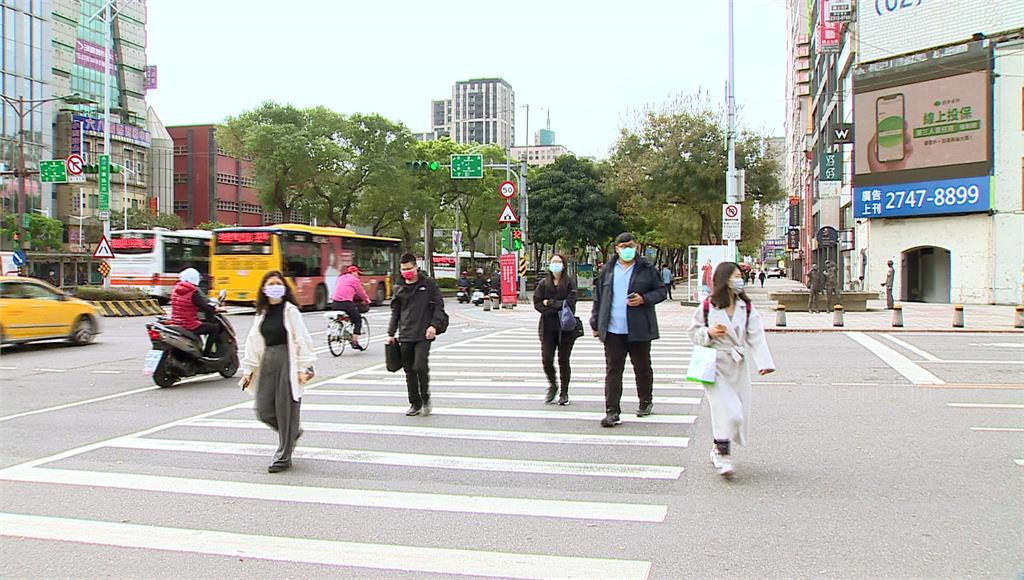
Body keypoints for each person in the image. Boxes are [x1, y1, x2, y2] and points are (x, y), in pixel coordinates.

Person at [688, 261, 775, 477]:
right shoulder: (708, 306)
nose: (739, 280)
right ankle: (722, 453)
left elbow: (756, 336)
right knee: (727, 410)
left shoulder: (747, 308)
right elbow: (693, 332)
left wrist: (764, 363)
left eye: (740, 275)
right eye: (735, 276)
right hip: (714, 364)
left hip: (737, 365)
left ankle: (719, 447)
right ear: (724, 279)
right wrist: (709, 332)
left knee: (738, 413)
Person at [239, 271, 317, 473]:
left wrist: (304, 367)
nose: (274, 286)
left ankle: (283, 456)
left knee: (285, 410)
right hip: (267, 363)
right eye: (270, 283)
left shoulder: (290, 310)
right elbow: (252, 342)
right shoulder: (262, 313)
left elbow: (302, 339)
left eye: (278, 283)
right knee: (264, 410)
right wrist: (248, 371)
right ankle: (291, 433)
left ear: (284, 287)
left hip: (287, 362)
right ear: (264, 289)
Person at [590, 232, 667, 428]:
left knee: (641, 366)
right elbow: (599, 298)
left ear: (637, 247)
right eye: (623, 247)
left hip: (638, 328)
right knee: (613, 370)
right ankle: (612, 411)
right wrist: (595, 323)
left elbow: (661, 291)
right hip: (613, 329)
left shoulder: (647, 269)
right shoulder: (608, 270)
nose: (627, 250)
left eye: (630, 246)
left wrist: (644, 299)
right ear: (616, 249)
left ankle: (645, 400)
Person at [387, 253, 447, 417]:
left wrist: (433, 325)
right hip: (405, 334)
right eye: (404, 269)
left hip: (424, 334)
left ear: (416, 267)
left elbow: (439, 306)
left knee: (419, 366)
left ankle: (425, 398)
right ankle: (415, 403)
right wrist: (391, 333)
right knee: (409, 371)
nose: (407, 272)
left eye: (409, 268)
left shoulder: (428, 284)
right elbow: (395, 312)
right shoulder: (398, 287)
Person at [533, 253, 578, 405]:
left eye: (559, 262)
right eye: (553, 262)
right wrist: (553, 306)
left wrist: (550, 302)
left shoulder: (570, 283)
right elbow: (537, 303)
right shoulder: (543, 284)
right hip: (547, 327)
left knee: (563, 360)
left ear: (564, 265)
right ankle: (553, 385)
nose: (556, 264)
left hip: (565, 328)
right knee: (546, 360)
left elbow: (570, 303)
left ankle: (564, 392)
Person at [170, 267, 220, 351]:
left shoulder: (176, 289)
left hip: (176, 322)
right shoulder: (193, 291)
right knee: (214, 328)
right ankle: (207, 354)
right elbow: (204, 307)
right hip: (189, 325)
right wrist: (214, 309)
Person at [331, 265, 371, 350]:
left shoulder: (341, 277)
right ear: (353, 272)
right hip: (346, 303)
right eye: (357, 273)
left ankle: (342, 331)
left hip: (334, 303)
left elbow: (345, 289)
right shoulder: (355, 280)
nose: (358, 275)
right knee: (357, 319)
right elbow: (361, 293)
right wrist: (367, 300)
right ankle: (355, 341)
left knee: (346, 316)